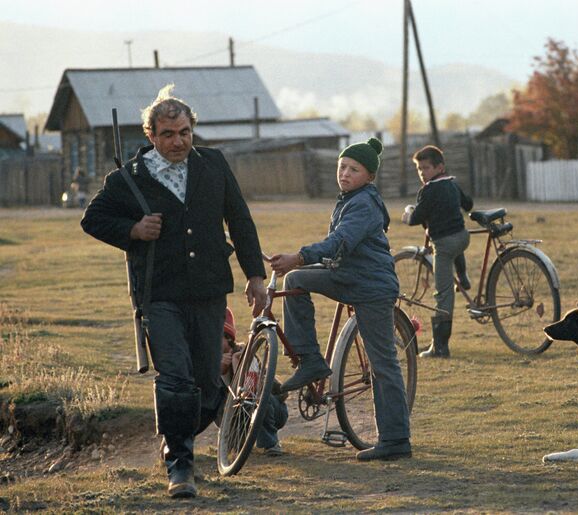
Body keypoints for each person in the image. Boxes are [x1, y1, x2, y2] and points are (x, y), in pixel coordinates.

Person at [80, 84, 267, 499]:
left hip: (208, 291)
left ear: (192, 129)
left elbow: (240, 220)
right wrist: (132, 230)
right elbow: (92, 219)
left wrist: (255, 276)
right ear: (151, 135)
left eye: (184, 132)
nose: (178, 141)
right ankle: (180, 462)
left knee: (204, 379)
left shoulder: (213, 165)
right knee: (176, 378)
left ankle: (192, 423)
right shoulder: (129, 178)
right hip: (158, 292)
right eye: (167, 134)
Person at [270, 137, 411, 461]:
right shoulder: (350, 197)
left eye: (354, 169)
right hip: (348, 276)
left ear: (370, 176)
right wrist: (302, 263)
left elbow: (340, 240)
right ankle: (311, 362)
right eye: (342, 167)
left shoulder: (363, 204)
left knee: (383, 364)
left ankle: (396, 439)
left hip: (373, 287)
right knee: (296, 280)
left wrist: (300, 255)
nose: (345, 173)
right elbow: (339, 249)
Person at [402, 145, 473, 358]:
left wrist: (407, 214)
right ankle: (462, 276)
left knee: (443, 295)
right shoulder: (451, 183)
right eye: (419, 169)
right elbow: (468, 205)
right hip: (463, 238)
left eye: (426, 168)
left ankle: (440, 347)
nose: (422, 173)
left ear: (440, 167)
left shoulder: (429, 190)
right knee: (455, 248)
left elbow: (416, 218)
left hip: (443, 244)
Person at [217, 307, 288, 456]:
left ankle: (270, 444)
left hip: (272, 408)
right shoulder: (209, 362)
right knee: (217, 403)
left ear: (228, 338)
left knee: (258, 401)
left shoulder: (244, 353)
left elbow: (251, 390)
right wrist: (217, 370)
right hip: (238, 413)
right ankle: (235, 442)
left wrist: (237, 367)